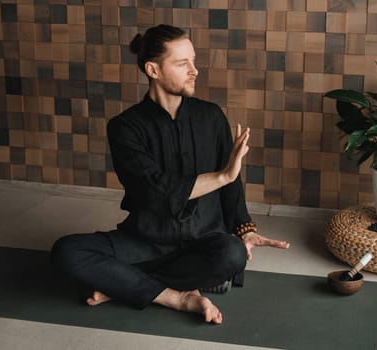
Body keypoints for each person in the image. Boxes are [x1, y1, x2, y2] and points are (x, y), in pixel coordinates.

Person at [51, 24, 289, 325]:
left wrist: (245, 229)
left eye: (193, 60)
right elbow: (155, 192)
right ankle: (176, 295)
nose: (195, 71)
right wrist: (222, 176)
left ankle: (125, 284)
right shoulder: (125, 127)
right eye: (182, 63)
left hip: (203, 239)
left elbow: (232, 185)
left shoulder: (211, 116)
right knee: (67, 251)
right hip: (145, 241)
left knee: (232, 255)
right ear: (153, 69)